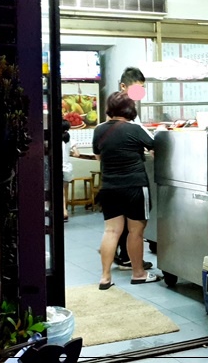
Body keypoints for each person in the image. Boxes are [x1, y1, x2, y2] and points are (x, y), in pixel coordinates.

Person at [93, 91, 161, 289]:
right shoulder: (135, 129)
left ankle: (105, 277)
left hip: (109, 187)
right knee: (135, 232)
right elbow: (157, 150)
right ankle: (138, 273)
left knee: (111, 231)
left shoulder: (99, 130)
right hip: (135, 186)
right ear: (130, 109)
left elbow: (99, 157)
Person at [113, 67, 153, 270]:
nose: (140, 93)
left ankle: (121, 257)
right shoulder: (125, 113)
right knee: (132, 223)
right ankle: (129, 260)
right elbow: (145, 137)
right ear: (123, 87)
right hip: (130, 177)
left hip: (114, 178)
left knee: (116, 224)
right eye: (138, 89)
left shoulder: (119, 111)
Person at [61, 120, 80, 222]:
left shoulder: (53, 138)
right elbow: (77, 154)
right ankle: (64, 210)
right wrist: (69, 154)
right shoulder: (70, 139)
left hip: (58, 168)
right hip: (67, 168)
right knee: (64, 191)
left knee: (60, 192)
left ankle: (63, 211)